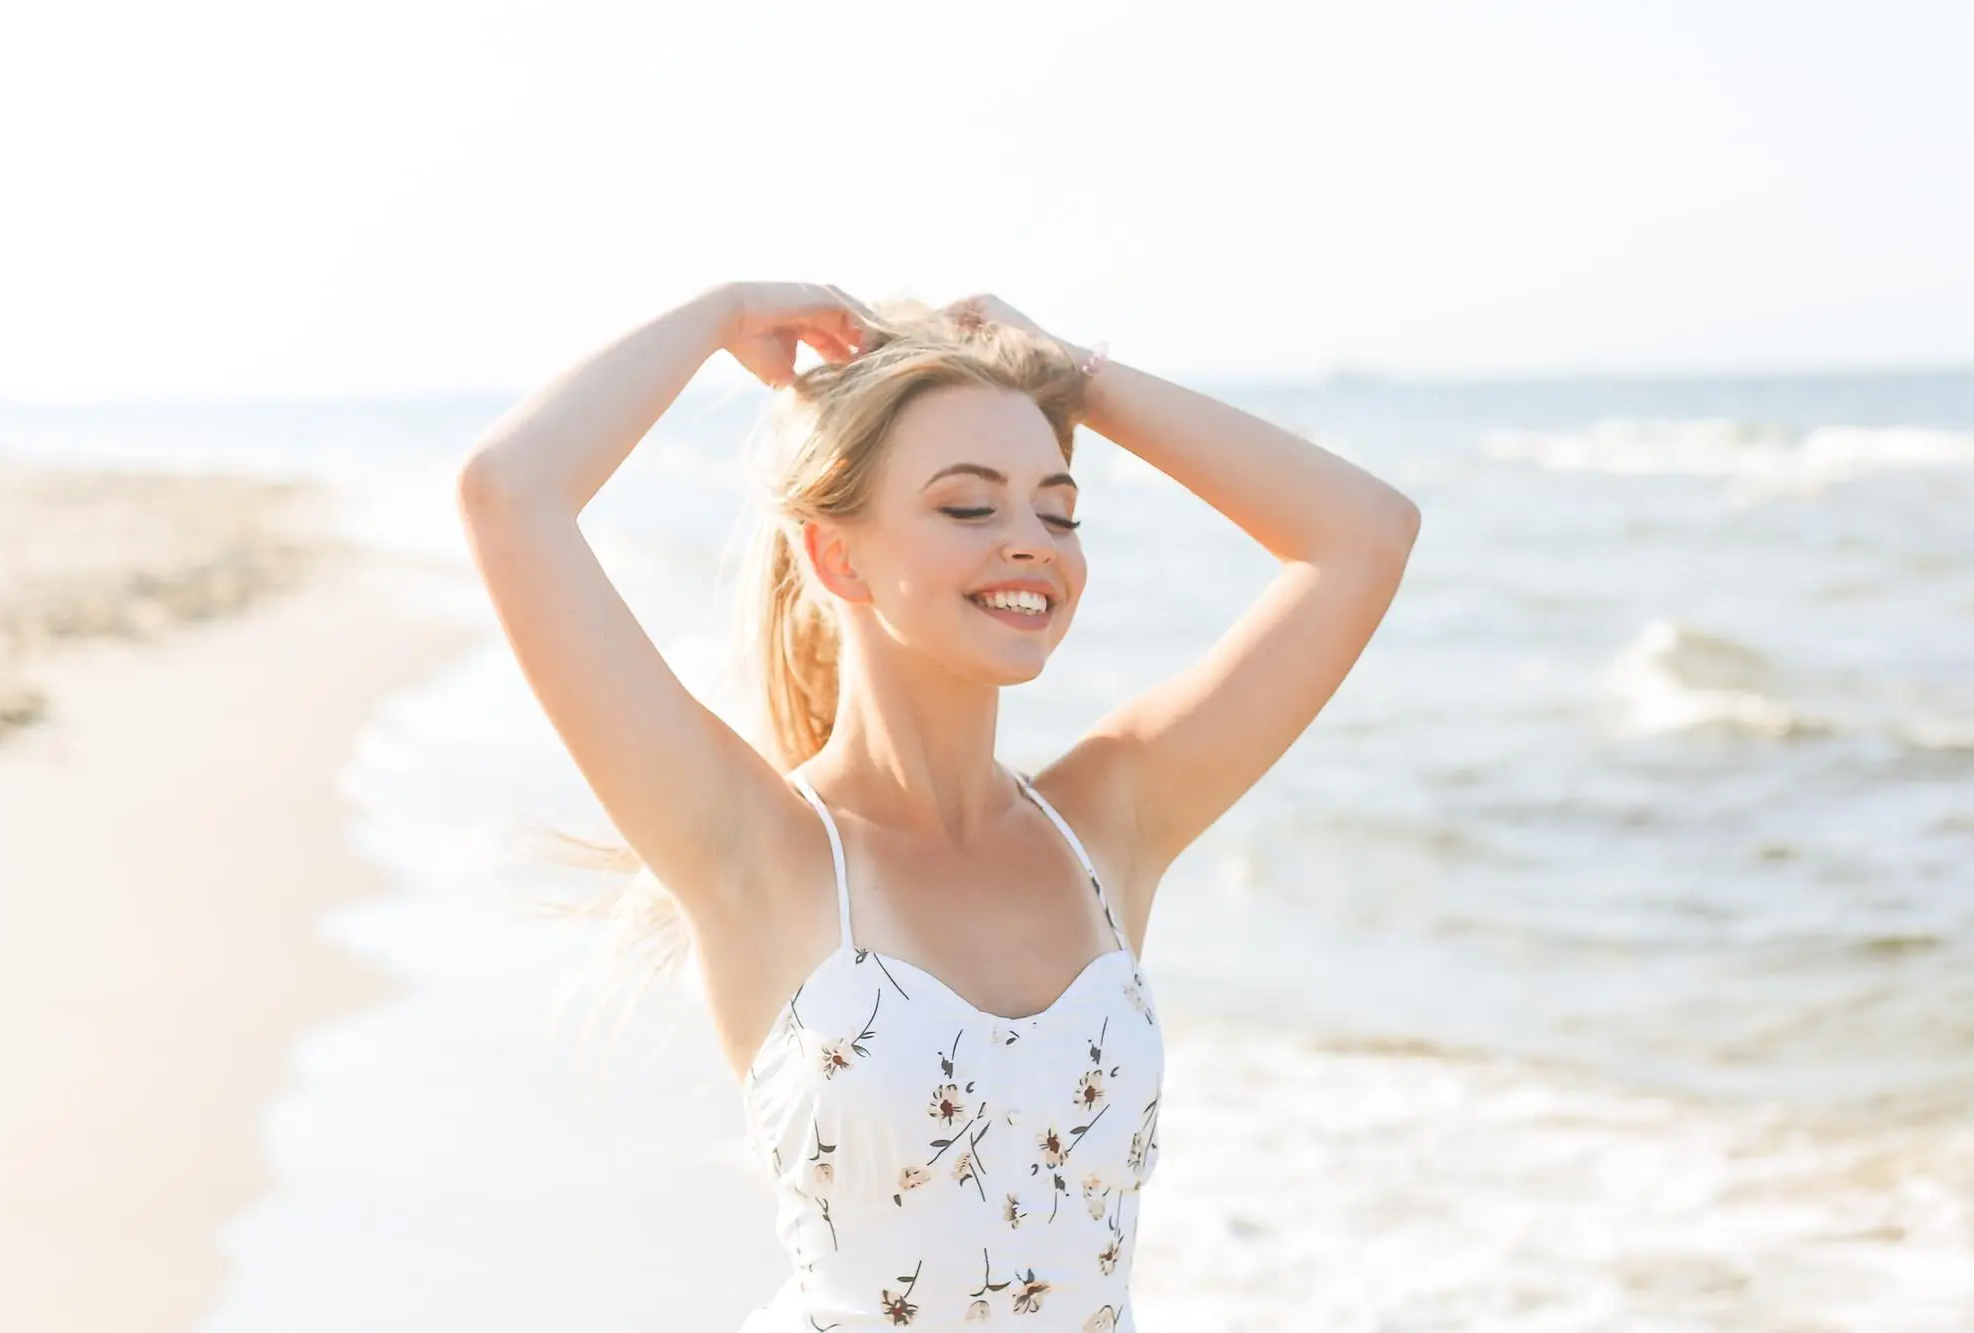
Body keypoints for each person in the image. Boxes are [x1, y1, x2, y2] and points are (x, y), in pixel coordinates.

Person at [455, 282, 1420, 1329]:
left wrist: (1075, 378)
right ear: (837, 556)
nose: (1030, 540)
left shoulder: (1107, 826)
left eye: (1057, 508)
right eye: (968, 504)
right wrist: (720, 316)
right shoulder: (756, 847)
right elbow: (510, 493)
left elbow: (1363, 534)